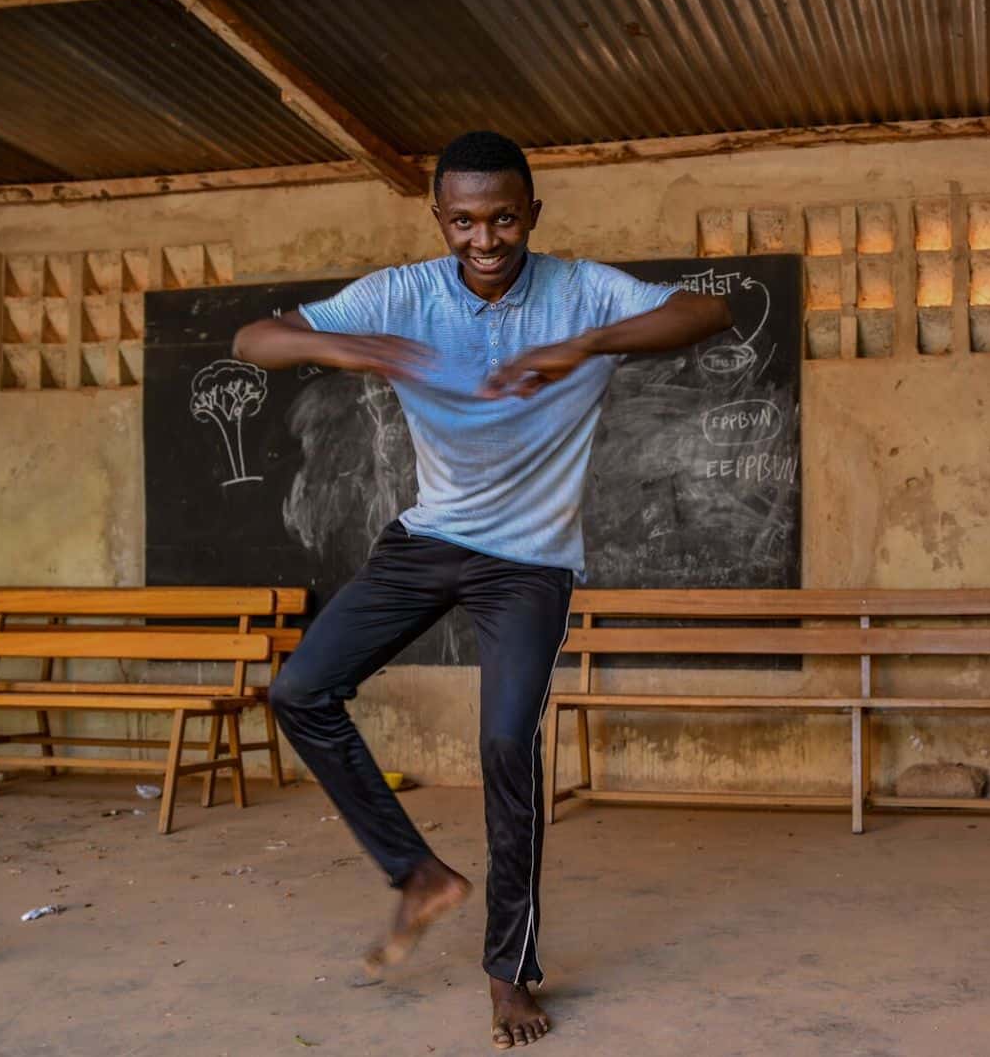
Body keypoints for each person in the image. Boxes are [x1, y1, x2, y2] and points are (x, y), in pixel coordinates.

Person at [232, 130, 732, 1049]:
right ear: (439, 219)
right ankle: (418, 875)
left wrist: (586, 346)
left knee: (507, 746)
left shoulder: (582, 288)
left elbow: (711, 311)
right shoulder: (404, 293)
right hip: (428, 541)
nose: (484, 238)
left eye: (503, 217)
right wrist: (345, 350)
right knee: (301, 689)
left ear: (532, 214)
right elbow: (253, 337)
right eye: (463, 220)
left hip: (531, 561)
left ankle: (510, 973)